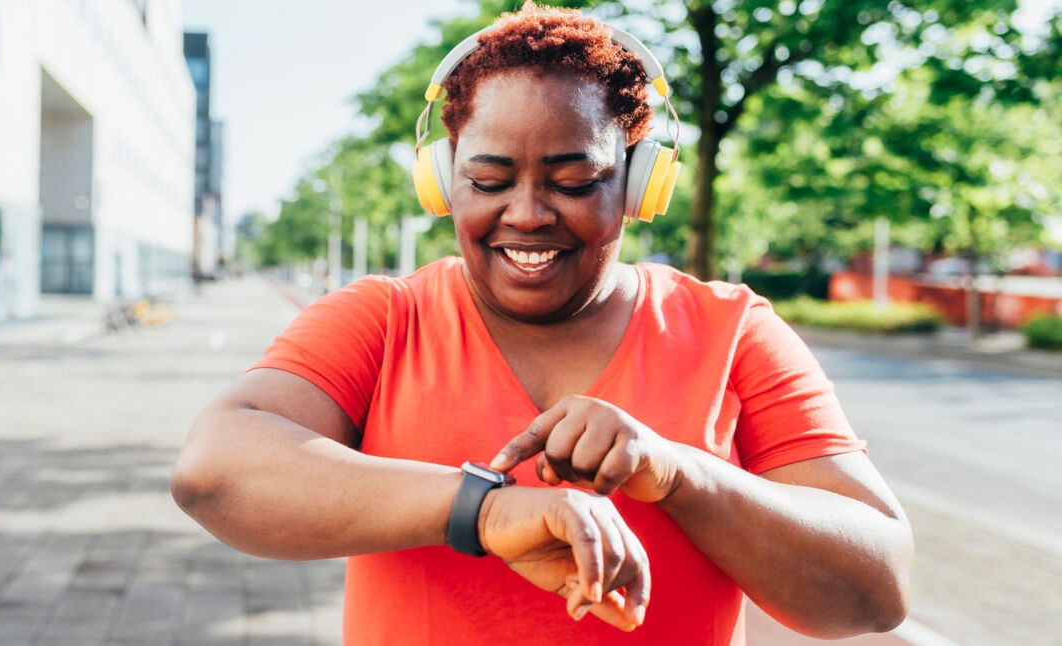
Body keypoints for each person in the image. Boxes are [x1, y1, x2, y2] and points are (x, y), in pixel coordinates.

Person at [171, 4, 913, 644]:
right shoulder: (384, 319)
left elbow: (874, 588)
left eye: (573, 181)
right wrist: (485, 510)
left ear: (641, 182)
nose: (526, 214)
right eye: (489, 181)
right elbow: (215, 471)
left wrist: (680, 472)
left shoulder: (733, 332)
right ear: (442, 181)